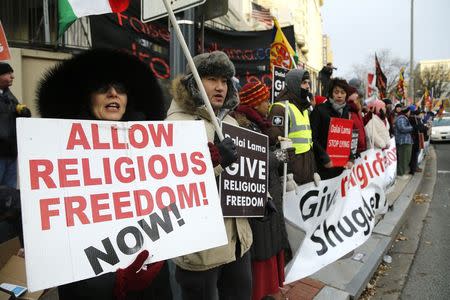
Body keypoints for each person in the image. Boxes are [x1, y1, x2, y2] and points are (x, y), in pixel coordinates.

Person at [36, 48, 171, 300]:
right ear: (87, 98)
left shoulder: (153, 148)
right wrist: (111, 283)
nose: (113, 94)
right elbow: (54, 233)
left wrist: (207, 161)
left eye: (120, 88)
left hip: (152, 277)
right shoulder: (56, 153)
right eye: (102, 88)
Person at [165, 51, 253, 300]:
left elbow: (245, 174)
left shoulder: (232, 124)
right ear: (194, 82)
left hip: (238, 243)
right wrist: (216, 162)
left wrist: (260, 198)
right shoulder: (175, 125)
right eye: (212, 79)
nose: (220, 87)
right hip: (201, 250)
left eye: (225, 81)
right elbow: (173, 185)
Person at [233, 80, 289, 300]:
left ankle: (272, 289)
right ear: (255, 103)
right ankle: (263, 291)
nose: (268, 104)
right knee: (263, 245)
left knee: (271, 241)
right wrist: (278, 156)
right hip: (259, 197)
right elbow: (251, 162)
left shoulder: (260, 123)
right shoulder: (245, 125)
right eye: (265, 99)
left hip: (270, 191)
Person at [267, 69, 317, 185]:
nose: (308, 87)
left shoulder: (304, 109)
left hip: (306, 176)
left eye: (308, 83)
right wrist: (285, 176)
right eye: (304, 82)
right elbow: (276, 145)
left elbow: (309, 144)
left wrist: (314, 170)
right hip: (291, 179)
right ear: (294, 83)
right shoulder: (280, 108)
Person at [310, 78, 354, 180]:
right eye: (336, 92)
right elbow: (313, 138)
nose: (339, 95)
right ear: (331, 93)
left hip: (340, 167)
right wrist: (324, 159)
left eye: (343, 93)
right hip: (323, 167)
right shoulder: (320, 110)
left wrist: (351, 158)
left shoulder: (346, 112)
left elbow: (346, 139)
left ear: (346, 95)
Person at [0, 62, 31, 189]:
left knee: (9, 191)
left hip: (11, 151)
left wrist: (24, 113)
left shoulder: (10, 96)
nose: (12, 76)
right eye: (8, 73)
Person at [394, 106, 413, 179]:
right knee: (403, 158)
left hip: (405, 141)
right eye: (409, 111)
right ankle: (400, 174)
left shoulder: (402, 117)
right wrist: (412, 128)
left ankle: (402, 172)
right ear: (407, 111)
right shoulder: (401, 118)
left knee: (406, 158)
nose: (410, 113)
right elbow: (402, 128)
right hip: (403, 141)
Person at [346, 86, 366, 155]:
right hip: (355, 150)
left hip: (360, 149)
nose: (359, 101)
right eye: (357, 99)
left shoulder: (356, 112)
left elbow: (361, 125)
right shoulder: (349, 113)